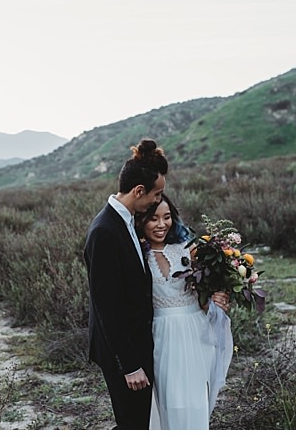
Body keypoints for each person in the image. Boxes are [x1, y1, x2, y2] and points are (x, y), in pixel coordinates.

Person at [83, 139, 169, 429]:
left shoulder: (128, 220)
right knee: (133, 424)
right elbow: (107, 305)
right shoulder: (104, 231)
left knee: (142, 420)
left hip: (136, 342)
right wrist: (129, 365)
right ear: (139, 191)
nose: (158, 200)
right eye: (156, 194)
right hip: (122, 350)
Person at [136, 193, 234, 430]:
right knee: (170, 399)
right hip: (163, 334)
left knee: (194, 399)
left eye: (167, 217)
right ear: (141, 221)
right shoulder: (137, 254)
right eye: (153, 218)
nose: (161, 224)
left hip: (196, 330)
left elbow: (202, 296)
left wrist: (217, 297)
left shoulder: (188, 249)